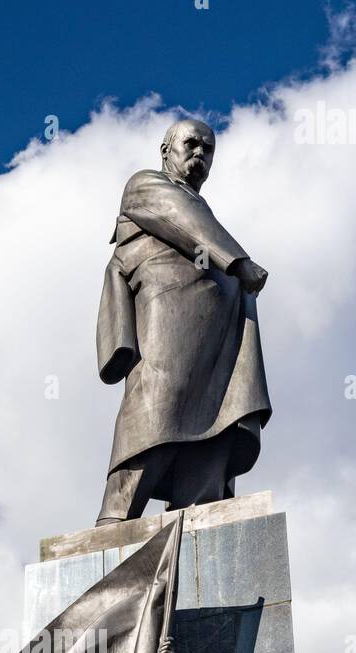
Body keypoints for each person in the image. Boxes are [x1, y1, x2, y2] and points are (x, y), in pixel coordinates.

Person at [96, 118, 271, 524]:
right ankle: (115, 516)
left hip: (222, 326)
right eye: (191, 144)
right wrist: (239, 262)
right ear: (165, 150)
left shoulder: (200, 206)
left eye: (208, 150)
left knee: (223, 416)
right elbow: (181, 219)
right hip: (169, 305)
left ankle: (198, 509)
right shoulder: (146, 184)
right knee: (157, 400)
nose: (200, 155)